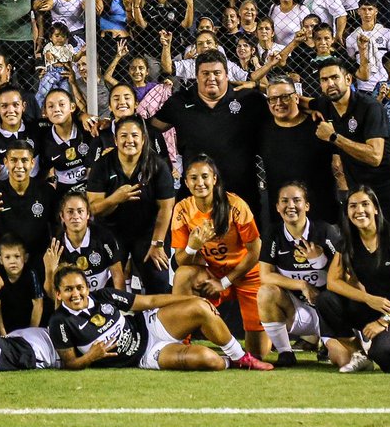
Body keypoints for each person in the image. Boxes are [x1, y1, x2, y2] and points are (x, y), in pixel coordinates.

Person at [48, 264, 271, 371]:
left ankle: (242, 357)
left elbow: (150, 302)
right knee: (210, 361)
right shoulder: (60, 321)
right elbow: (70, 364)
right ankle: (228, 362)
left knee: (201, 307)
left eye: (79, 287)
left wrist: (187, 301)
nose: (75, 294)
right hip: (145, 355)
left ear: (87, 286)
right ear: (58, 294)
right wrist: (91, 357)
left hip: (150, 325)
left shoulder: (104, 295)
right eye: (68, 290)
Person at [317, 187, 390, 373]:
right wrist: (367, 298)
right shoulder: (347, 241)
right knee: (326, 300)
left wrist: (383, 321)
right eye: (353, 206)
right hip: (373, 304)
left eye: (365, 204)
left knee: (384, 355)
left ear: (376, 209)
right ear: (347, 212)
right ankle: (359, 355)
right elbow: (333, 281)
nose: (359, 210)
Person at [171, 155, 269, 359]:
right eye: (194, 178)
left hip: (245, 273)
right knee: (183, 274)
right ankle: (179, 340)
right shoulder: (182, 210)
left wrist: (224, 282)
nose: (200, 183)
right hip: (212, 272)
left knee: (258, 353)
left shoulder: (236, 205)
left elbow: (255, 251)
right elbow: (180, 260)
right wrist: (192, 247)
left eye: (205, 176)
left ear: (214, 179)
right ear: (186, 182)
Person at [149, 50, 265, 205]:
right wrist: (164, 162)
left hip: (243, 198)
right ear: (197, 76)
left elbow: (285, 108)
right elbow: (151, 128)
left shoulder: (249, 100)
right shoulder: (179, 102)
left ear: (227, 75)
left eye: (217, 72)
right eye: (205, 73)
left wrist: (259, 86)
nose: (211, 78)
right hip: (195, 200)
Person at [312, 61, 390, 233]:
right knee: (364, 246)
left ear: (348, 79)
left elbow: (374, 157)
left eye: (335, 77)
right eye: (324, 80)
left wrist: (334, 137)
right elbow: (300, 102)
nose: (330, 84)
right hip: (360, 189)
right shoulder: (325, 105)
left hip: (389, 186)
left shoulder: (370, 106)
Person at [86, 115, 175, 295]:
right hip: (111, 232)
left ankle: (157, 319)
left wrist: (157, 243)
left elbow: (166, 207)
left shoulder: (157, 165)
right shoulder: (102, 165)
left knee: (158, 277)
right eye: (124, 136)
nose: (130, 140)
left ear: (143, 139)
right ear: (116, 140)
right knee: (111, 283)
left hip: (147, 231)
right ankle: (119, 318)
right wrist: (116, 198)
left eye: (134, 135)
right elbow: (94, 208)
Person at [257, 181, 342, 366]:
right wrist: (302, 285)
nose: (291, 206)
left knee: (344, 360)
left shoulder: (326, 231)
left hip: (330, 310)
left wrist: (320, 261)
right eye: (285, 201)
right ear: (278, 207)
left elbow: (347, 275)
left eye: (296, 200)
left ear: (307, 205)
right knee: (266, 292)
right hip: (296, 310)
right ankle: (285, 353)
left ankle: (330, 343)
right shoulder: (273, 233)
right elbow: (265, 275)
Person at [259, 74, 339, 225]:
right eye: (273, 99)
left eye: (285, 97)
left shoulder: (320, 126)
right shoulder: (262, 130)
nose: (278, 103)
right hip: (282, 219)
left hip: (322, 215)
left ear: (297, 98)